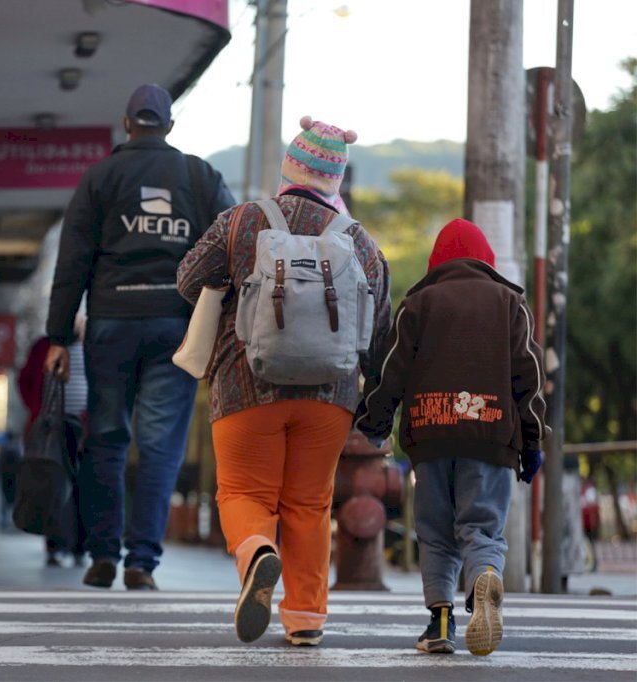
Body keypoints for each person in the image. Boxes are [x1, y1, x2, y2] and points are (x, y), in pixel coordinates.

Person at [176, 116, 391, 645]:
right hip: (330, 398)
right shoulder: (361, 242)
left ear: (289, 169)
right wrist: (375, 407)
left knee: (245, 491)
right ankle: (305, 620)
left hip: (245, 384)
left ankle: (256, 551)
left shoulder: (242, 220)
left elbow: (186, 280)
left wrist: (232, 280)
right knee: (310, 504)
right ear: (336, 181)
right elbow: (379, 332)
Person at [44, 83, 235, 590]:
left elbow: (73, 263)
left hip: (111, 322)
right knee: (159, 446)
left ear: (127, 124)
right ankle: (142, 561)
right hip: (177, 325)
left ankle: (103, 554)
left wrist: (60, 336)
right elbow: (235, 245)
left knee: (105, 438)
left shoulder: (101, 177)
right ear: (169, 126)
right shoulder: (199, 175)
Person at [354, 218, 549, 656]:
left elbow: (392, 372)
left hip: (430, 436)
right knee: (481, 526)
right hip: (492, 435)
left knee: (436, 533)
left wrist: (375, 422)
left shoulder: (418, 303)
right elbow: (529, 379)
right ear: (488, 261)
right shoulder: (510, 303)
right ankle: (484, 575)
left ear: (435, 262)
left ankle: (439, 624)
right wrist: (533, 442)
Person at [19, 325, 87, 567]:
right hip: (52, 429)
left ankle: (80, 546)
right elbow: (25, 380)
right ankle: (55, 546)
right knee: (53, 487)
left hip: (84, 430)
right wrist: (38, 412)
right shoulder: (43, 346)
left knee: (83, 489)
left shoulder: (92, 346)